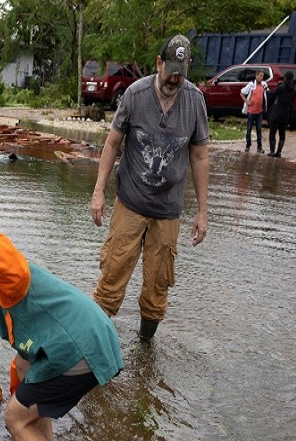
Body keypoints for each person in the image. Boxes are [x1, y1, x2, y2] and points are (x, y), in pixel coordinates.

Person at [0, 196, 123, 441]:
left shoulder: (8, 289)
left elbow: (14, 265)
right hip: (93, 338)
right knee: (23, 369)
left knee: (14, 418)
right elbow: (22, 367)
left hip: (85, 347)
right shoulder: (6, 309)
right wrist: (19, 397)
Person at [90, 34, 209, 343]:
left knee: (157, 289)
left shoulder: (195, 101)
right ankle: (93, 345)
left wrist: (203, 212)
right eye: (170, 71)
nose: (175, 78)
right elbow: (113, 142)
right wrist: (99, 191)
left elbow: (199, 155)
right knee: (111, 280)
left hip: (168, 212)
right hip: (130, 203)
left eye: (181, 72)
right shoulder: (135, 94)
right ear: (159, 63)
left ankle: (145, 349)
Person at [266, 70, 296, 158]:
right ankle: (279, 152)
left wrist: (267, 91)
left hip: (276, 113)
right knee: (282, 134)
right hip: (286, 114)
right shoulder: (294, 91)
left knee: (272, 132)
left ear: (285, 77)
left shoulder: (281, 87)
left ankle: (272, 152)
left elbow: (271, 95)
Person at [240, 69, 268, 152]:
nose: (261, 78)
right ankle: (248, 145)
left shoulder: (264, 84)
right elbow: (242, 93)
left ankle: (259, 147)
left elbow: (266, 94)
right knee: (249, 129)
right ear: (256, 76)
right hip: (251, 111)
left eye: (262, 76)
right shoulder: (251, 84)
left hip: (259, 111)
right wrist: (247, 101)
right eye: (260, 76)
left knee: (259, 129)